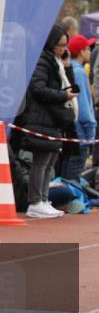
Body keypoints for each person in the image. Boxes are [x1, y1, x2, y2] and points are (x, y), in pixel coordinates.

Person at [15, 26, 78, 218]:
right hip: (41, 116)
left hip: (53, 117)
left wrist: (67, 67)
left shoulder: (57, 62)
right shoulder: (43, 61)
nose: (63, 50)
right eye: (60, 46)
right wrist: (62, 95)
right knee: (41, 161)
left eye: (66, 46)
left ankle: (43, 198)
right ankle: (35, 201)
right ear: (51, 44)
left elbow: (70, 86)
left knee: (50, 160)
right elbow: (37, 88)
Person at [61, 35, 97, 180]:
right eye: (88, 49)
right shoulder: (80, 72)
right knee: (74, 176)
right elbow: (83, 106)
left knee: (65, 170)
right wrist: (91, 130)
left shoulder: (68, 68)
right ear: (82, 52)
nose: (90, 52)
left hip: (69, 129)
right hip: (80, 132)